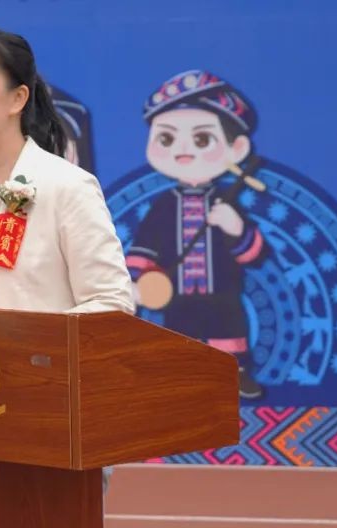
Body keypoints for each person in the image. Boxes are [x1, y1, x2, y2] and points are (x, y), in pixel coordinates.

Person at [0, 28, 136, 493]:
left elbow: (111, 304)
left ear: (17, 97)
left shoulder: (65, 187)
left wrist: (27, 357)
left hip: (44, 426)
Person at [125, 70, 271, 399]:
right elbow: (144, 247)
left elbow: (254, 254)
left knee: (228, 330)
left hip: (222, 292)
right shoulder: (164, 205)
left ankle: (234, 374)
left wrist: (234, 227)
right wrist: (135, 283)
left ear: (237, 148)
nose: (183, 151)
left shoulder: (227, 205)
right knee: (179, 335)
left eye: (202, 140)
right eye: (166, 139)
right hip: (178, 293)